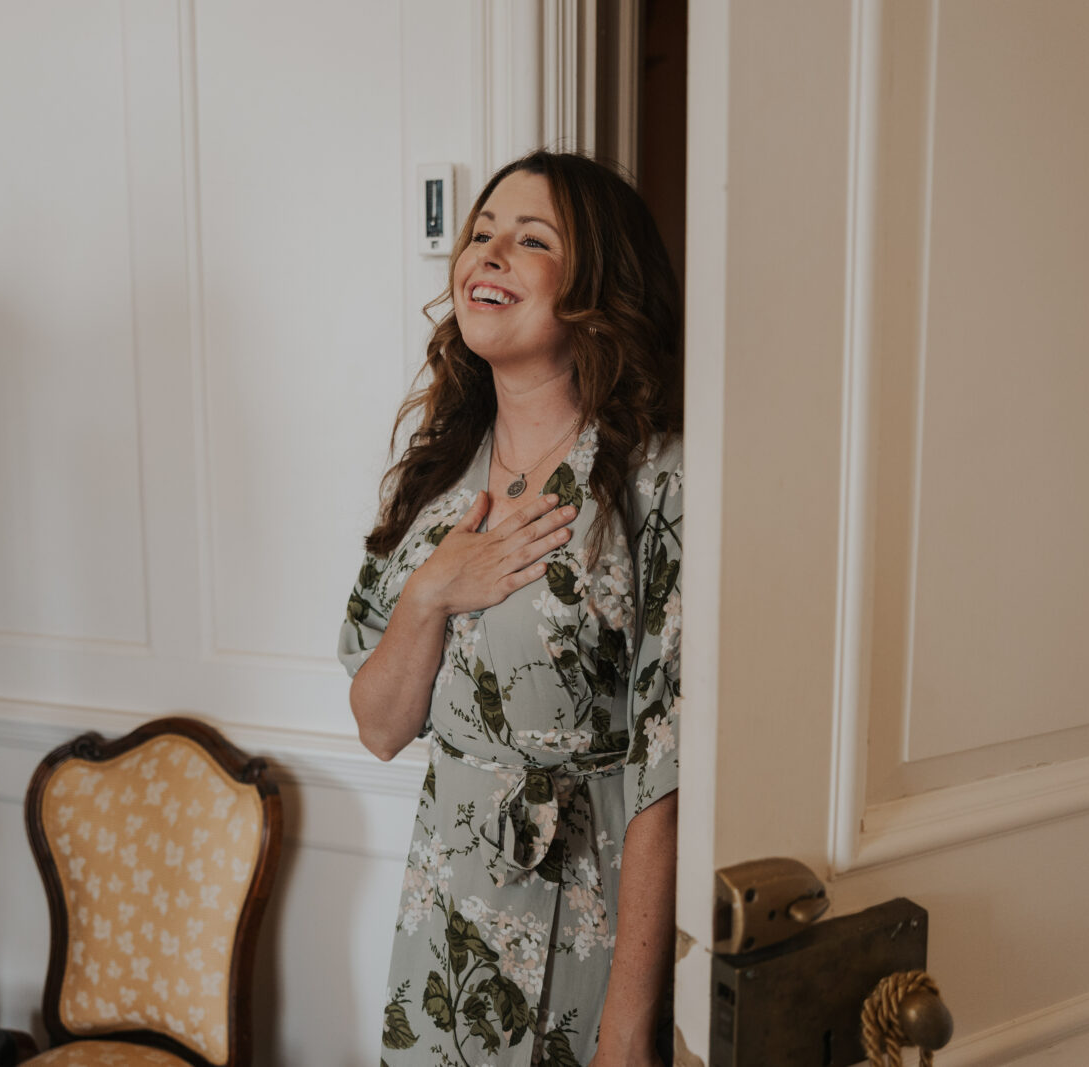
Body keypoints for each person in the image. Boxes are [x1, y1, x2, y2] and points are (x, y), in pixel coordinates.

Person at [338, 149, 682, 1067]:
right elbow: (379, 725)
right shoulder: (436, 472)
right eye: (481, 233)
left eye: (530, 240)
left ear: (596, 285)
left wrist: (627, 1031)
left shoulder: (656, 481)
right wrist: (431, 592)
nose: (488, 254)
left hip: (589, 925)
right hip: (443, 929)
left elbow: (666, 771)